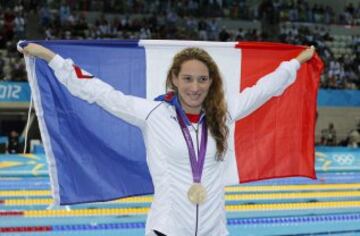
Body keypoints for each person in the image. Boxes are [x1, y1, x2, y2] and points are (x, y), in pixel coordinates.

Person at [19, 42, 315, 236]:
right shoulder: (153, 114)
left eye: (202, 79)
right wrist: (51, 58)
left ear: (211, 82)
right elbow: (101, 93)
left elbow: (265, 89)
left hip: (215, 230)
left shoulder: (224, 114)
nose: (195, 87)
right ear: (174, 78)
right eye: (187, 78)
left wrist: (297, 61)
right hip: (166, 229)